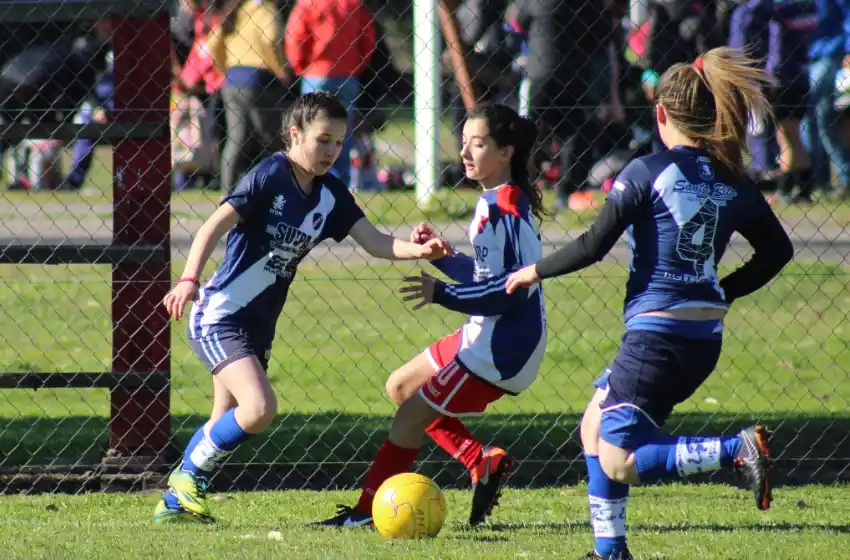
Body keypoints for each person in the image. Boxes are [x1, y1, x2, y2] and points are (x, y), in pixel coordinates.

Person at [506, 47, 794, 559]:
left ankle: (736, 450)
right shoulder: (731, 178)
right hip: (699, 337)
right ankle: (609, 551)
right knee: (594, 426)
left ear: (660, 114)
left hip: (658, 338)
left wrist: (532, 270)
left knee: (619, 460)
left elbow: (594, 245)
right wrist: (722, 290)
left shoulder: (645, 171)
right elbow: (778, 251)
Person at [152, 92, 452, 523]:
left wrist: (419, 251)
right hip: (219, 316)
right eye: (323, 139)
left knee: (223, 417)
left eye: (339, 142)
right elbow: (212, 226)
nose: (332, 151)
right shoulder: (270, 175)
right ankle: (184, 479)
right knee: (258, 408)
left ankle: (176, 504)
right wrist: (187, 280)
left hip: (258, 327)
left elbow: (374, 241)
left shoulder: (331, 194)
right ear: (295, 134)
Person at [315, 103, 548, 528]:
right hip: (487, 332)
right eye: (463, 144)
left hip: (500, 348)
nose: (465, 153)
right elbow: (488, 277)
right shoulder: (495, 201)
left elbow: (507, 295)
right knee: (402, 387)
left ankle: (366, 513)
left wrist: (441, 293)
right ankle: (481, 461)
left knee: (410, 416)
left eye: (478, 144)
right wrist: (444, 259)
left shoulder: (503, 209)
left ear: (506, 152)